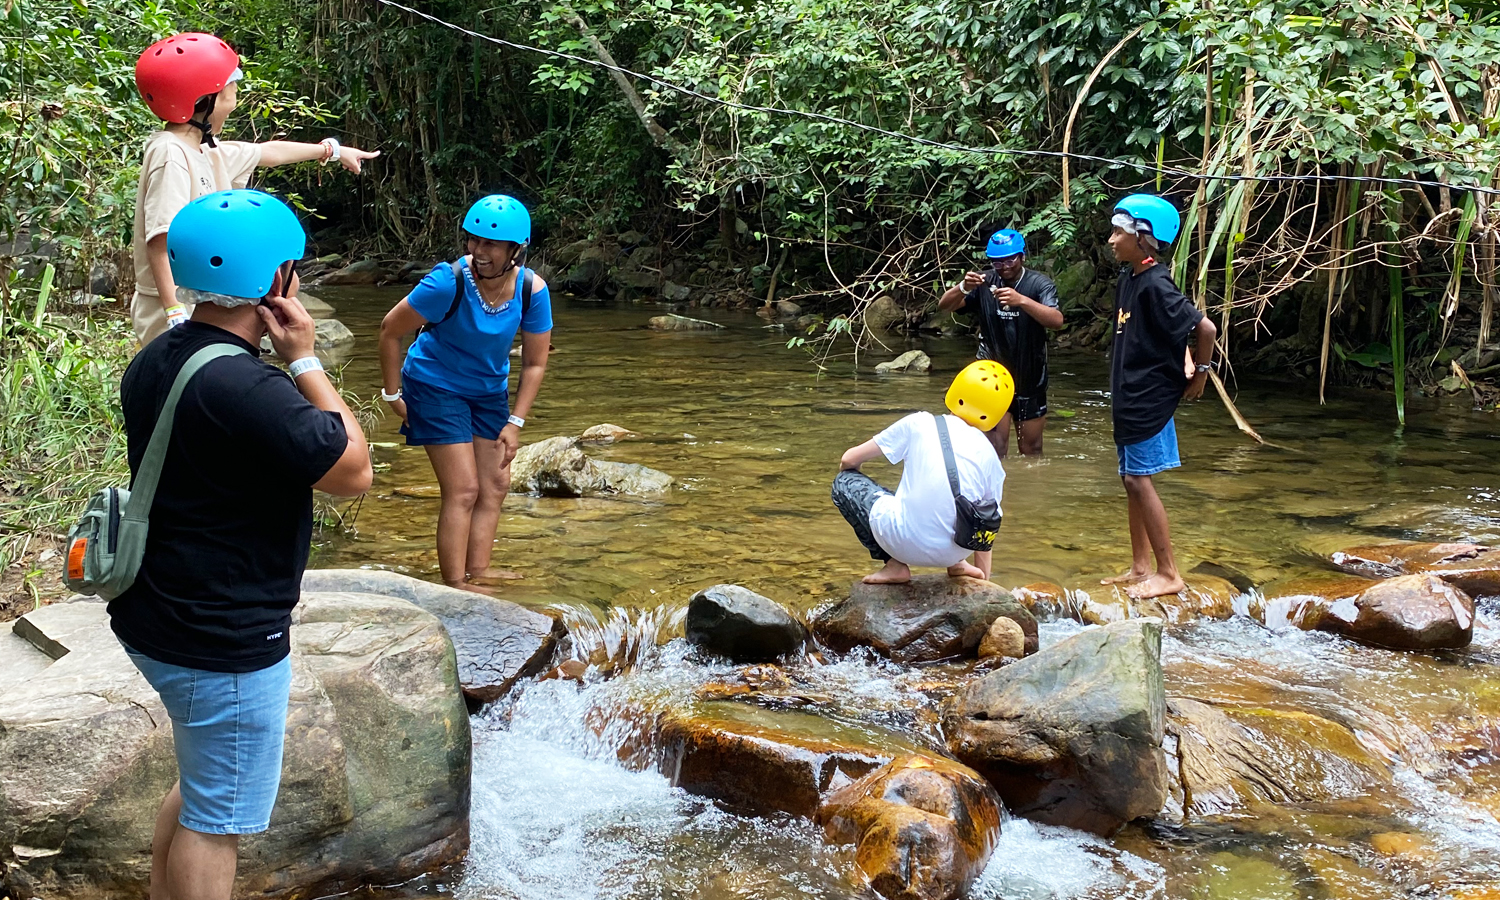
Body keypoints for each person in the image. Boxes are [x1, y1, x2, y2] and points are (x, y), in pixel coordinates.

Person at [109, 189, 372, 900]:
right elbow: (354, 470)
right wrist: (307, 361)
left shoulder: (160, 355)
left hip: (159, 613)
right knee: (217, 818)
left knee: (202, 788)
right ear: (277, 279)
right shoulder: (248, 386)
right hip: (220, 636)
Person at [130, 32, 380, 345]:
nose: (235, 95)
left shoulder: (205, 149)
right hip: (175, 305)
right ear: (206, 97)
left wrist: (332, 150)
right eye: (230, 87)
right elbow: (160, 238)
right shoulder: (171, 153)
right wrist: (174, 311)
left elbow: (268, 153)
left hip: (200, 300)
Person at [377, 195, 553, 591]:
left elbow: (535, 363)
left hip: (489, 391)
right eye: (473, 241)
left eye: (490, 244)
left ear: (515, 249)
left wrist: (515, 421)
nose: (478, 251)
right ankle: (456, 588)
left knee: (495, 486)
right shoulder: (446, 281)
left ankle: (479, 571)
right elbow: (390, 329)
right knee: (463, 489)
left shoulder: (531, 290)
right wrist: (392, 395)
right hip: (434, 383)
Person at [1102, 193, 1217, 599]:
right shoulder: (1130, 277)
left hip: (1148, 398)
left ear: (1145, 238)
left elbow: (1205, 329)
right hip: (1129, 394)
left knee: (1137, 479)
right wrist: (1182, 354)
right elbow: (1168, 331)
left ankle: (1169, 574)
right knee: (1129, 478)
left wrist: (1201, 372)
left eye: (1120, 232)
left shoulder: (1155, 282)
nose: (1112, 239)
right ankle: (1140, 566)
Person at [832, 361, 1011, 584]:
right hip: (956, 550)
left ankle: (893, 565)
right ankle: (957, 565)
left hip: (902, 543)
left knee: (844, 482)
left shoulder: (918, 423)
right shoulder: (990, 457)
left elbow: (848, 459)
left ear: (955, 391)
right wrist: (984, 581)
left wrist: (856, 482)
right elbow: (987, 521)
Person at [937, 228, 1064, 458]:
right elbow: (945, 305)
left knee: (1031, 451)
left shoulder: (1039, 284)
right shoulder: (985, 282)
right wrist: (964, 287)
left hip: (1029, 375)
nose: (1004, 267)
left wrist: (1022, 301)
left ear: (1022, 257)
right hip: (990, 377)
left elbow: (1056, 320)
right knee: (993, 449)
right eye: (997, 262)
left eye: (1010, 260)